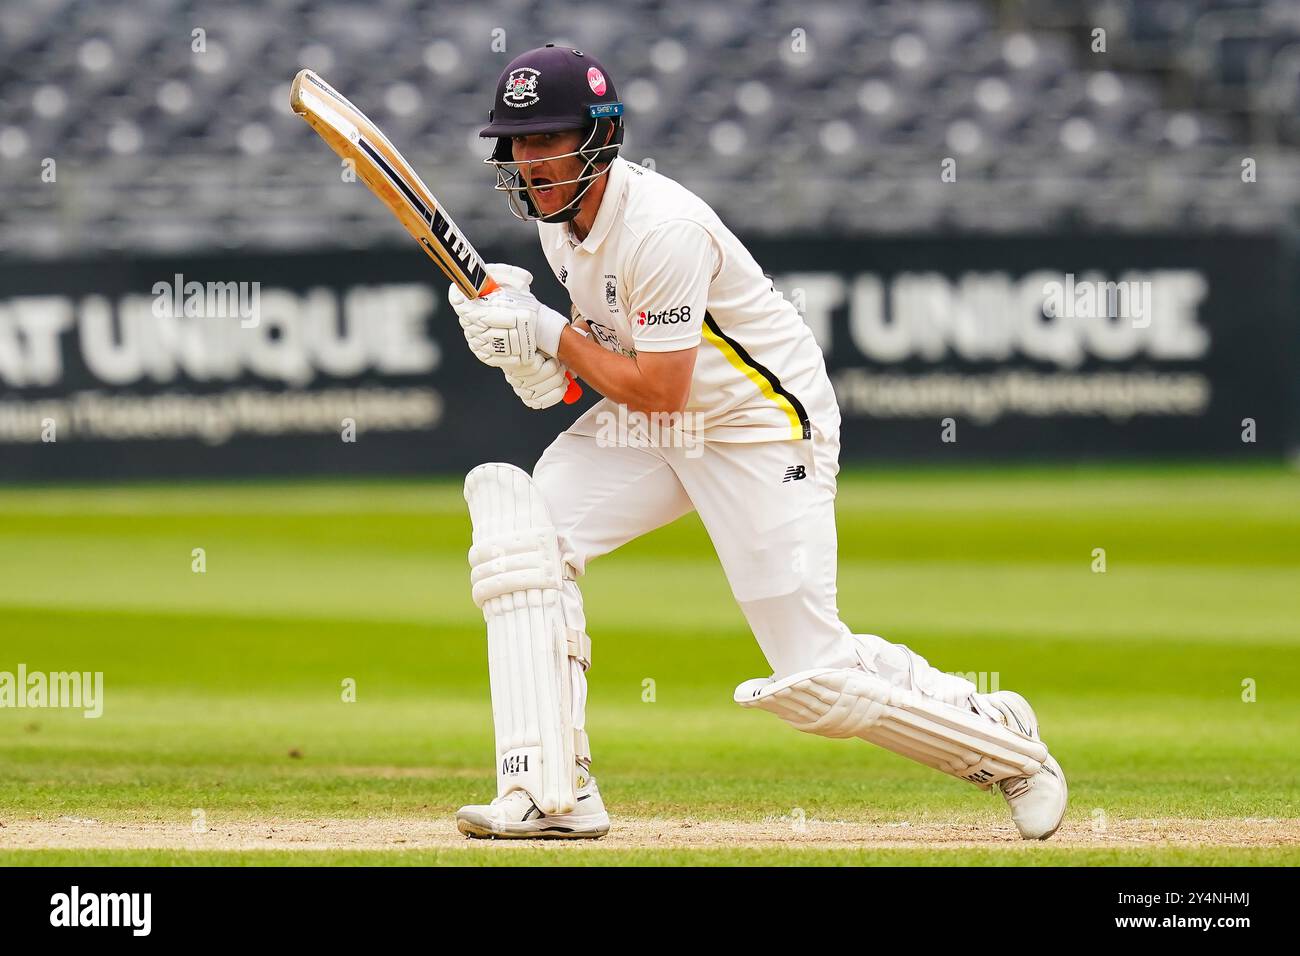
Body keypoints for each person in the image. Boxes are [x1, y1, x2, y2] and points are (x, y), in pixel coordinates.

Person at [450, 45, 1067, 841]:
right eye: (519, 143)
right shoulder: (562, 227)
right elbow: (608, 361)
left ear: (598, 138)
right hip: (659, 425)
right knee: (525, 536)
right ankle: (551, 790)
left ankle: (1004, 746)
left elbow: (660, 386)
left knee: (812, 677)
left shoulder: (661, 229)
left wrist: (544, 330)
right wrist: (535, 365)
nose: (531, 162)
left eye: (548, 140)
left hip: (759, 426)